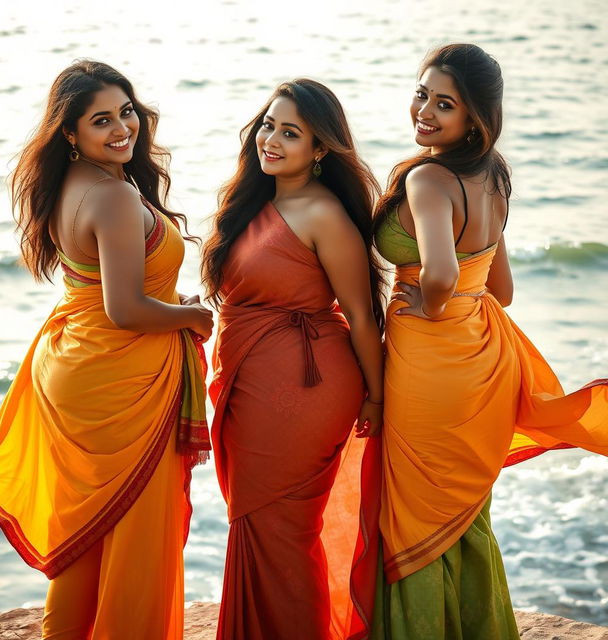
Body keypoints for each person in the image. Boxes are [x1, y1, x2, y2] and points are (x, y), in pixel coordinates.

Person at [0, 60, 213, 639]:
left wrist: (167, 298)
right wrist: (192, 316)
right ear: (70, 134)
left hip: (78, 361)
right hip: (120, 376)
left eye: (126, 111)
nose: (122, 128)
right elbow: (125, 309)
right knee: (132, 534)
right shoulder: (114, 198)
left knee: (92, 532)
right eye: (101, 120)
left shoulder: (73, 184)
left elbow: (102, 288)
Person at [371, 43, 607, 639]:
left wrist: (424, 300)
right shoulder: (492, 176)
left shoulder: (428, 177)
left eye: (443, 103)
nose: (423, 110)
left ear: (474, 117)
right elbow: (500, 288)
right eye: (421, 93)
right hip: (479, 359)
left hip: (428, 365)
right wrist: (450, 294)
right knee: (462, 511)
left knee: (416, 511)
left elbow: (443, 274)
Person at [202, 78, 386, 640]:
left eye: (291, 133)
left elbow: (360, 313)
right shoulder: (255, 201)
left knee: (280, 530)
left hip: (304, 390)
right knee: (260, 528)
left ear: (321, 148)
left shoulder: (323, 213)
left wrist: (377, 398)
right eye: (268, 126)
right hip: (251, 381)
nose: (272, 141)